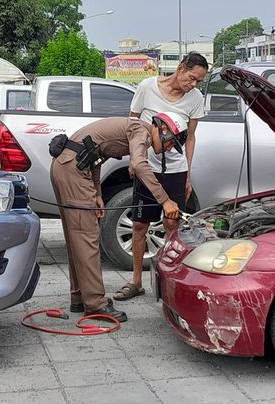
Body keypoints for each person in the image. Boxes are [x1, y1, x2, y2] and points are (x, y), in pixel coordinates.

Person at [49, 112, 188, 322]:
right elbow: (139, 165)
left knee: (76, 237)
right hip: (73, 171)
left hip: (68, 167)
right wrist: (165, 201)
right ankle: (95, 304)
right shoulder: (140, 131)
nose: (169, 149)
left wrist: (97, 192)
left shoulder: (133, 128)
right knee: (87, 237)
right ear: (163, 130)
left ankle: (79, 298)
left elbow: (95, 155)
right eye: (170, 143)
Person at [114, 52, 208, 302]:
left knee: (171, 225)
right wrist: (134, 159)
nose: (193, 84)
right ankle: (136, 282)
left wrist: (188, 174)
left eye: (198, 81)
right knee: (139, 225)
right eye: (191, 78)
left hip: (176, 171)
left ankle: (169, 282)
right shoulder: (147, 87)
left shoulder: (195, 98)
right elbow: (131, 126)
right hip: (147, 169)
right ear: (180, 68)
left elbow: (190, 138)